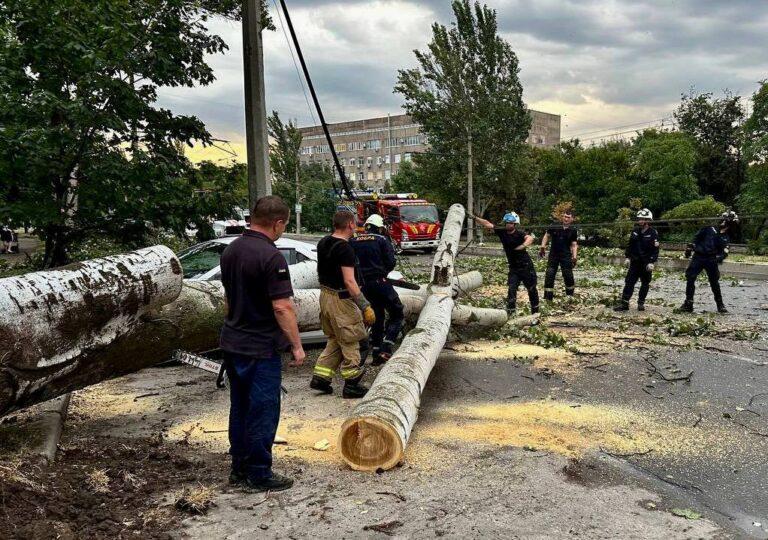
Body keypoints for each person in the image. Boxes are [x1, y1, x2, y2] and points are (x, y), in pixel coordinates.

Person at [219, 195, 305, 493]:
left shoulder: (231, 250)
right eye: (283, 226)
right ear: (278, 223)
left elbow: (229, 300)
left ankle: (239, 467)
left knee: (240, 406)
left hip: (233, 341)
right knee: (263, 409)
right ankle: (259, 472)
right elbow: (282, 307)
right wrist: (296, 345)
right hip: (260, 347)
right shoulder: (271, 257)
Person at [310, 210, 376, 398]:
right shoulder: (344, 248)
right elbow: (349, 281)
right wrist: (365, 305)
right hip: (341, 300)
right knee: (353, 339)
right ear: (350, 225)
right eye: (355, 224)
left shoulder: (324, 242)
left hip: (325, 297)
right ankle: (352, 385)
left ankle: (321, 378)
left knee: (336, 339)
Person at [350, 214, 404, 365]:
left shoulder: (353, 241)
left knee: (377, 317)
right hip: (380, 283)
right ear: (380, 228)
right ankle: (386, 347)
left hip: (362, 287)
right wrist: (382, 272)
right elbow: (390, 262)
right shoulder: (382, 240)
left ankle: (376, 353)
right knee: (397, 313)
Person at [474, 212, 539, 315]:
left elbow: (530, 238)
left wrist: (522, 246)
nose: (508, 225)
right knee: (511, 289)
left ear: (515, 224)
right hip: (514, 268)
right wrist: (474, 217)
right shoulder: (502, 232)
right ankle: (511, 313)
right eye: (507, 223)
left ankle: (535, 313)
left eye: (511, 223)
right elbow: (487, 223)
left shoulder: (520, 233)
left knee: (531, 289)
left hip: (526, 266)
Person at [679, 211, 738, 314]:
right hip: (699, 256)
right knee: (690, 277)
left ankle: (720, 305)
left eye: (726, 221)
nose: (723, 222)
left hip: (711, 260)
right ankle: (689, 302)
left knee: (714, 282)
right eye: (723, 219)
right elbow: (696, 238)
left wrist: (718, 258)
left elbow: (724, 252)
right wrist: (691, 247)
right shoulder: (709, 229)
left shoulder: (725, 238)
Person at [614, 208, 660, 312]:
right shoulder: (635, 231)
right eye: (639, 219)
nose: (639, 221)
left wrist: (652, 262)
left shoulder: (653, 233)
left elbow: (655, 249)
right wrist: (627, 257)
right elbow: (630, 245)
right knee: (629, 282)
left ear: (647, 220)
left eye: (642, 219)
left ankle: (641, 303)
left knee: (645, 283)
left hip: (646, 263)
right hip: (635, 262)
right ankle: (624, 304)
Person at [539, 209, 578, 301]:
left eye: (568, 217)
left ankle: (570, 297)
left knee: (568, 275)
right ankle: (548, 298)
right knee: (550, 274)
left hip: (566, 255)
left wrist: (574, 257)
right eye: (565, 216)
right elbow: (546, 236)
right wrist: (542, 247)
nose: (566, 219)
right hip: (554, 255)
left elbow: (574, 244)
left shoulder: (573, 230)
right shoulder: (554, 225)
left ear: (572, 219)